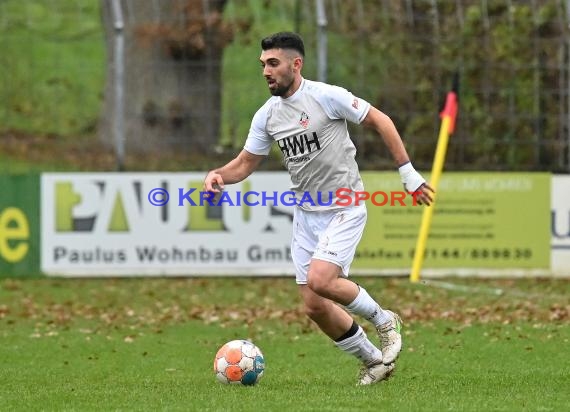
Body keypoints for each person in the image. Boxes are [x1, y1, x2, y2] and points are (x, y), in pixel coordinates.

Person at [203, 32, 434, 385]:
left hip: (345, 206)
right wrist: (219, 175)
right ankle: (374, 362)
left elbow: (380, 120)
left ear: (296, 65)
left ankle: (385, 319)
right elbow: (246, 162)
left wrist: (409, 174)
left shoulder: (326, 97)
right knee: (314, 305)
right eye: (263, 64)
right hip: (306, 215)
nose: (266, 71)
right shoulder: (267, 116)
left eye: (273, 63)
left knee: (322, 280)